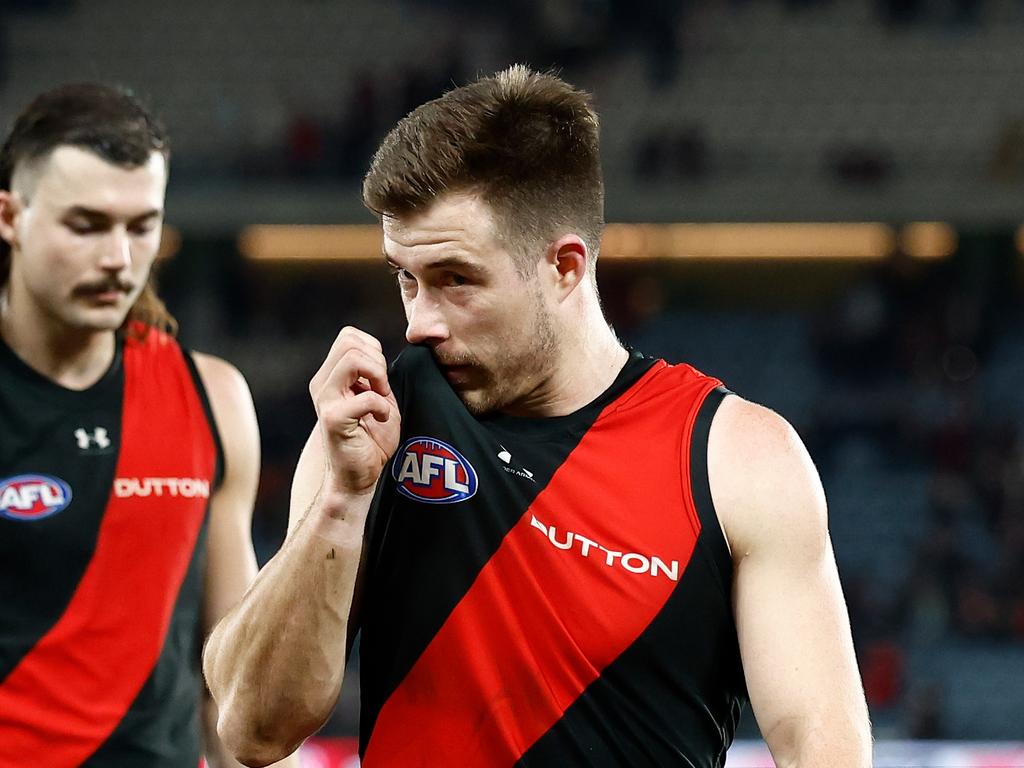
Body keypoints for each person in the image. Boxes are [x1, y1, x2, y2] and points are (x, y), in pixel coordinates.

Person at [205, 66, 872, 767]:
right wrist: (339, 503)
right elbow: (252, 728)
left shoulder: (737, 458)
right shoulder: (376, 425)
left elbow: (821, 749)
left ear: (564, 267)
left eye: (456, 280)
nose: (419, 324)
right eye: (406, 278)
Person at [0, 84, 294, 768]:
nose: (120, 260)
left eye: (141, 226)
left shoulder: (213, 399)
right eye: (87, 225)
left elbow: (234, 687)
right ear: (10, 216)